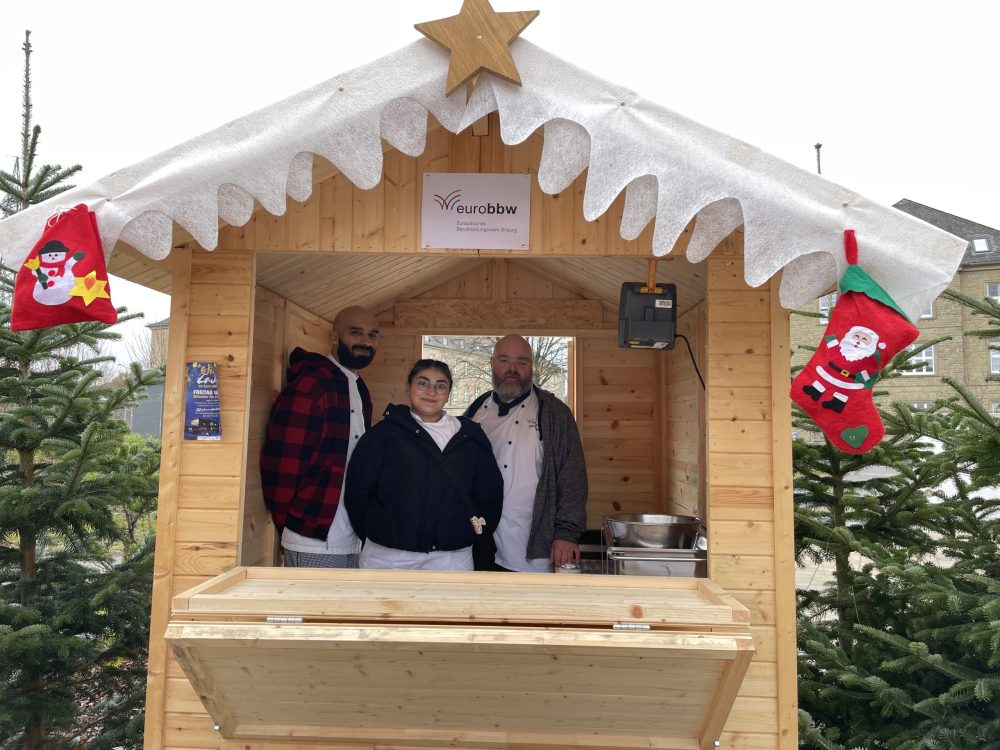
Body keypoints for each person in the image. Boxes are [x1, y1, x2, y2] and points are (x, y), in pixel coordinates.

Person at [344, 360, 503, 571]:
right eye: (423, 383)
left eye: (440, 385)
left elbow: (489, 495)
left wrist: (464, 532)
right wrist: (382, 532)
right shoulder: (382, 436)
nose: (431, 391)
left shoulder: (471, 437)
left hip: (451, 559)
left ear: (448, 393)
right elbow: (358, 494)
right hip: (388, 558)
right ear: (408, 387)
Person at [259, 305, 379, 567]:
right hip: (312, 538)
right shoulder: (312, 384)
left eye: (372, 335)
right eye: (356, 332)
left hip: (351, 537)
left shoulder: (358, 387)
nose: (365, 341)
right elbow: (282, 464)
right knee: (309, 610)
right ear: (334, 337)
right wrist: (296, 523)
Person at [464, 335, 588, 572]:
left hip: (532, 551)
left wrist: (567, 533)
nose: (512, 369)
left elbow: (573, 477)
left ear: (532, 366)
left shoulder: (553, 412)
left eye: (522, 362)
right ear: (492, 363)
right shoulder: (477, 410)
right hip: (478, 544)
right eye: (504, 360)